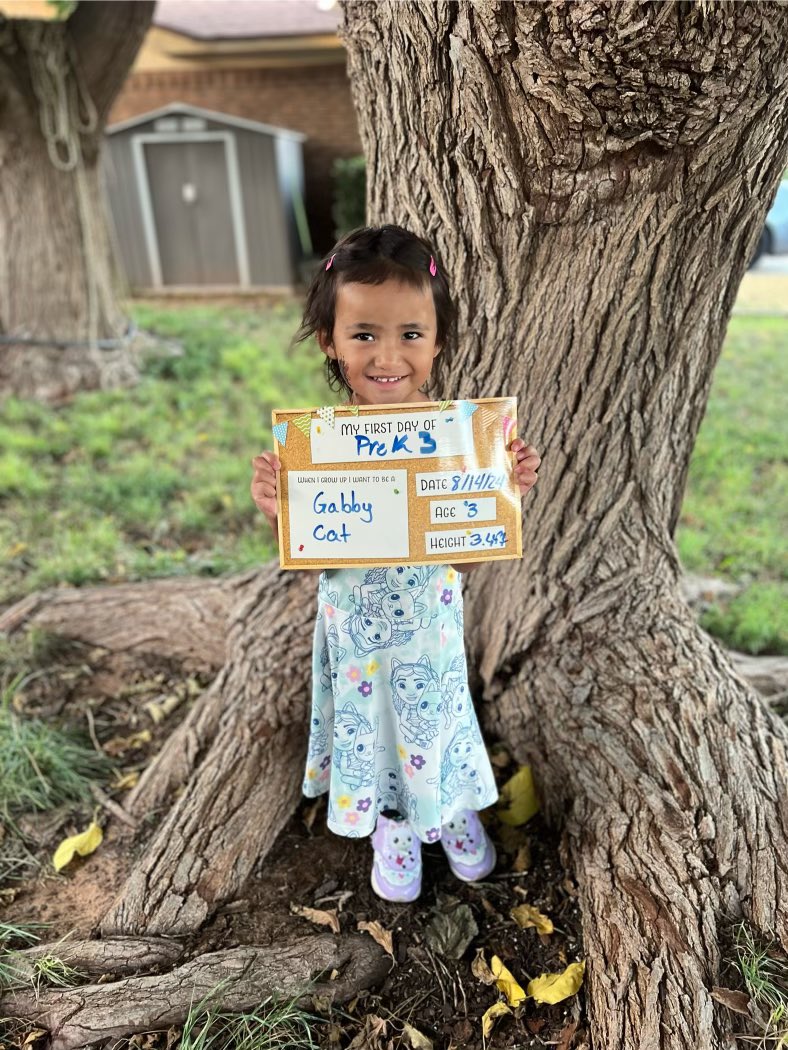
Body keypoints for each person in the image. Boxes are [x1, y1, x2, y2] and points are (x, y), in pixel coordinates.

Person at [250, 225, 540, 902]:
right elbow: (302, 562)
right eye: (364, 334)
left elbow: (464, 566)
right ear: (330, 341)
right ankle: (393, 825)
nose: (388, 356)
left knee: (436, 718)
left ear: (438, 341)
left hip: (430, 632)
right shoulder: (317, 449)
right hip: (354, 639)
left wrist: (500, 496)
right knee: (373, 731)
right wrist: (277, 511)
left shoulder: (457, 445)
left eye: (411, 334)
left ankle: (448, 807)